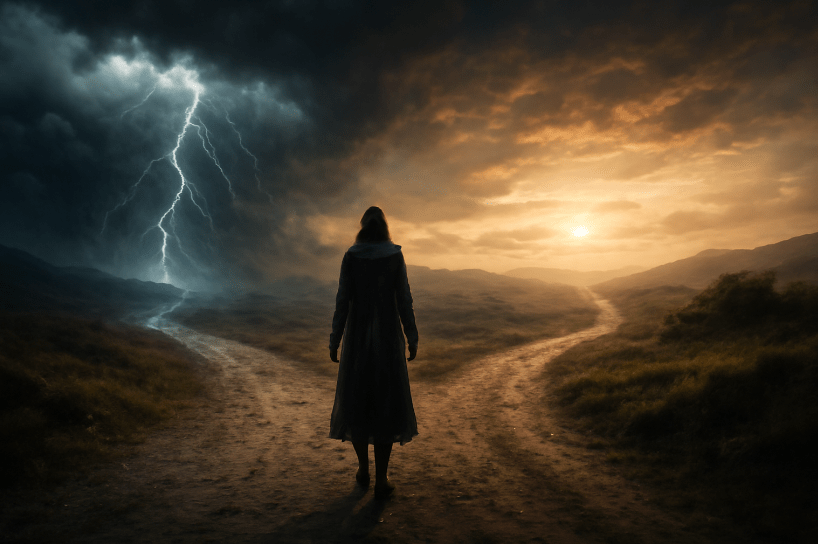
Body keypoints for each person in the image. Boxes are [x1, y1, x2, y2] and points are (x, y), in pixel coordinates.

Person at [328, 206, 419, 499]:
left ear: (362, 228)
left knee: (358, 402)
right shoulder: (394, 255)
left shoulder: (351, 256)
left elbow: (342, 300)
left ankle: (363, 469)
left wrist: (335, 339)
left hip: (356, 340)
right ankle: (382, 478)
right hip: (388, 341)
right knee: (386, 405)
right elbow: (404, 298)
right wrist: (412, 336)